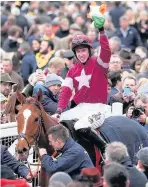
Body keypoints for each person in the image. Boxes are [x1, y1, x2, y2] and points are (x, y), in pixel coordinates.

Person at [55, 16, 111, 115]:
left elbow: (106, 50)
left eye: (83, 50)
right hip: (80, 109)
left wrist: (101, 30)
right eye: (78, 51)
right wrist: (59, 109)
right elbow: (65, 91)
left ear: (89, 50)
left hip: (99, 109)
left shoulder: (99, 63)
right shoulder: (72, 70)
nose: (81, 54)